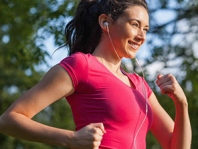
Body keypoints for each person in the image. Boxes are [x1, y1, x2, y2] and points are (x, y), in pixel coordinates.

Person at [0, 0, 192, 149]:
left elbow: (176, 146)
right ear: (105, 22)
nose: (142, 36)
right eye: (135, 24)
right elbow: (9, 120)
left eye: (146, 29)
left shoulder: (140, 84)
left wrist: (181, 104)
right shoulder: (81, 65)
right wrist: (71, 139)